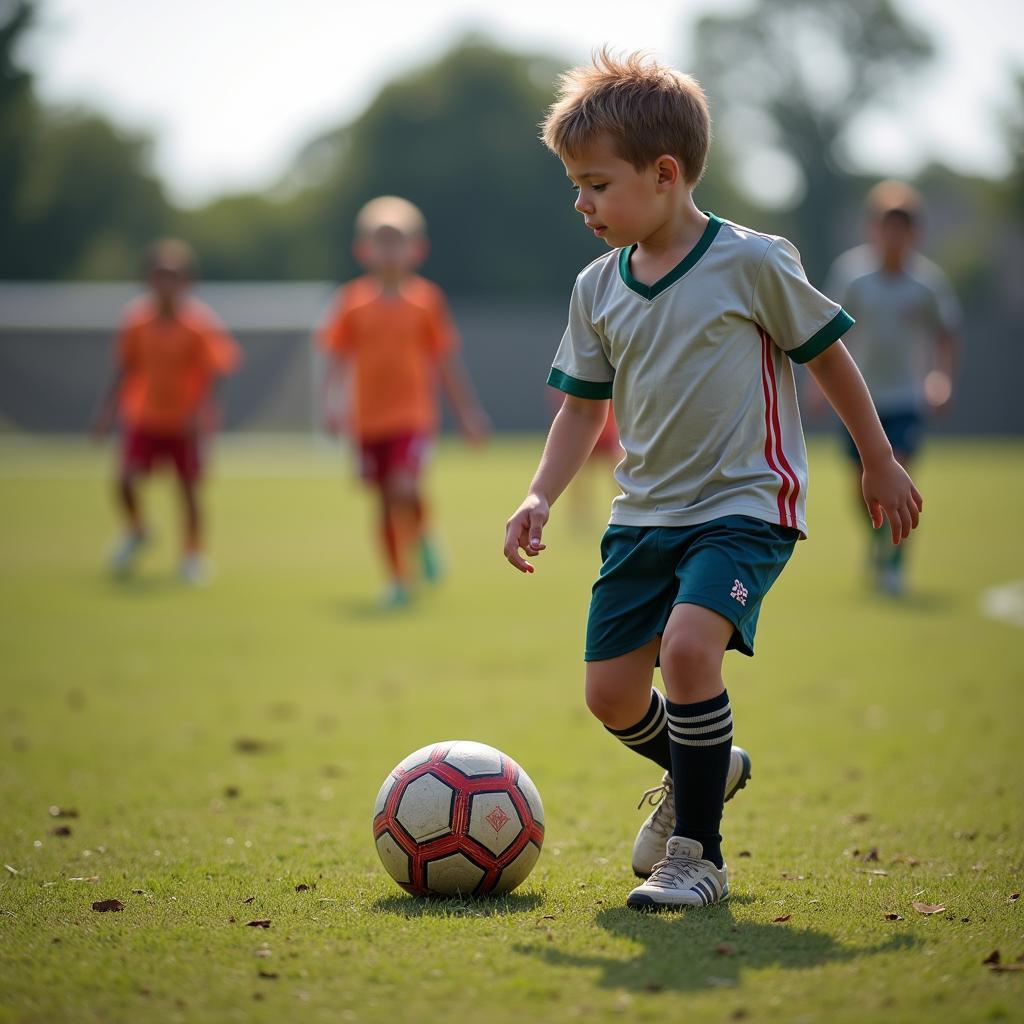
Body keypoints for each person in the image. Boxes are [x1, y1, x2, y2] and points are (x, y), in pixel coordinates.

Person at [502, 51, 922, 911]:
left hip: (744, 505)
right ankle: (710, 766)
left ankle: (698, 858)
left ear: (664, 174)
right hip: (642, 515)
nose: (581, 204)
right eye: (575, 186)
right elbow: (582, 410)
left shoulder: (753, 260)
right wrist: (541, 492)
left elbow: (830, 359)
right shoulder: (596, 288)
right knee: (611, 695)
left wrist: (877, 456)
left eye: (596, 185)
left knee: (690, 652)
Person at [319, 196, 488, 608]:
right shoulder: (351, 303)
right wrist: (331, 404)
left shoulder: (426, 301)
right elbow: (337, 358)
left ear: (416, 249)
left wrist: (467, 414)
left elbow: (445, 361)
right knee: (383, 501)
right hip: (368, 420)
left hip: (412, 417)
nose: (389, 251)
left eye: (397, 241)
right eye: (381, 241)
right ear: (364, 250)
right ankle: (398, 576)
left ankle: (422, 538)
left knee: (402, 486)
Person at [824, 181, 960, 596]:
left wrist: (942, 379)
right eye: (888, 227)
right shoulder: (853, 276)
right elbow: (827, 334)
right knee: (859, 486)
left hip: (904, 400)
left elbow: (946, 333)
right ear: (874, 229)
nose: (894, 237)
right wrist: (820, 388)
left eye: (903, 229)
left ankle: (895, 565)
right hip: (858, 401)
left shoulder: (926, 283)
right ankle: (878, 542)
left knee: (899, 475)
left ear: (914, 234)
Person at [93, 239, 241, 584]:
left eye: (173, 275)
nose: (166, 283)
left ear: (187, 281)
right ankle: (138, 529)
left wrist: (201, 412)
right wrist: (106, 413)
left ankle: (192, 556)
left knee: (188, 489)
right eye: (159, 275)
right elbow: (125, 369)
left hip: (184, 422)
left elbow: (215, 370)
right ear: (147, 279)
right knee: (125, 479)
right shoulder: (135, 321)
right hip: (143, 416)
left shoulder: (199, 324)